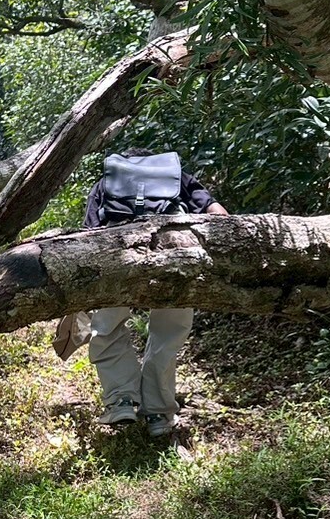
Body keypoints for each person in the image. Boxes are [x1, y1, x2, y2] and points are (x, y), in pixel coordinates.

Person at [84, 149, 228, 439]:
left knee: (107, 327)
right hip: (174, 255)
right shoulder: (177, 177)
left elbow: (89, 232)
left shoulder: (105, 183)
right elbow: (219, 214)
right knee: (168, 334)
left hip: (117, 251)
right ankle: (159, 413)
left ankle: (122, 401)